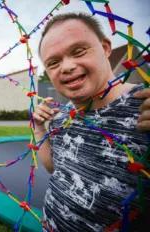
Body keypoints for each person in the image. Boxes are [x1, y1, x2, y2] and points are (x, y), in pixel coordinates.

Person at [34, 12, 150, 231]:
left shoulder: (144, 106)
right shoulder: (61, 116)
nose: (66, 67)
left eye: (78, 51)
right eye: (53, 62)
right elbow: (51, 167)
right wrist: (38, 127)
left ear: (105, 48)